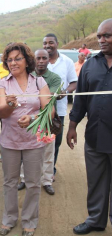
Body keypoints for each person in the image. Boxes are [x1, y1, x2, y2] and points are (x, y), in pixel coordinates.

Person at [0, 43, 53, 236]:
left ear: (27, 61)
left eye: (17, 58)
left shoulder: (39, 82)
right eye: (9, 59)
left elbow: (50, 111)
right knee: (10, 181)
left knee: (33, 182)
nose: (13, 62)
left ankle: (29, 220)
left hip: (33, 142)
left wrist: (32, 119)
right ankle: (9, 219)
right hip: (9, 141)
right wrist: (10, 105)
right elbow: (2, 113)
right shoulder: (2, 83)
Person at [67, 18, 112, 235]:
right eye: (100, 36)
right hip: (95, 135)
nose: (102, 40)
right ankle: (95, 220)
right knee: (95, 181)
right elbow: (81, 99)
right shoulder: (90, 65)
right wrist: (72, 126)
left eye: (107, 36)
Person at [18, 49, 61, 195]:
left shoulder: (55, 78)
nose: (41, 61)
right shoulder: (27, 77)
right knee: (26, 150)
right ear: (33, 60)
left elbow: (49, 100)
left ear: (49, 60)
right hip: (29, 121)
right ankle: (24, 179)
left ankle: (47, 181)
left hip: (47, 120)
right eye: (38, 58)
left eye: (44, 58)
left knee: (48, 152)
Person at [43, 33, 77, 177]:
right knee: (36, 142)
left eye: (50, 42)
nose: (47, 45)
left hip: (59, 111)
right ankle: (35, 171)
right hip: (39, 110)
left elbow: (74, 82)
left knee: (54, 142)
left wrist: (65, 92)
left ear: (57, 44)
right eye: (45, 43)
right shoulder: (39, 61)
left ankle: (50, 171)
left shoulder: (67, 62)